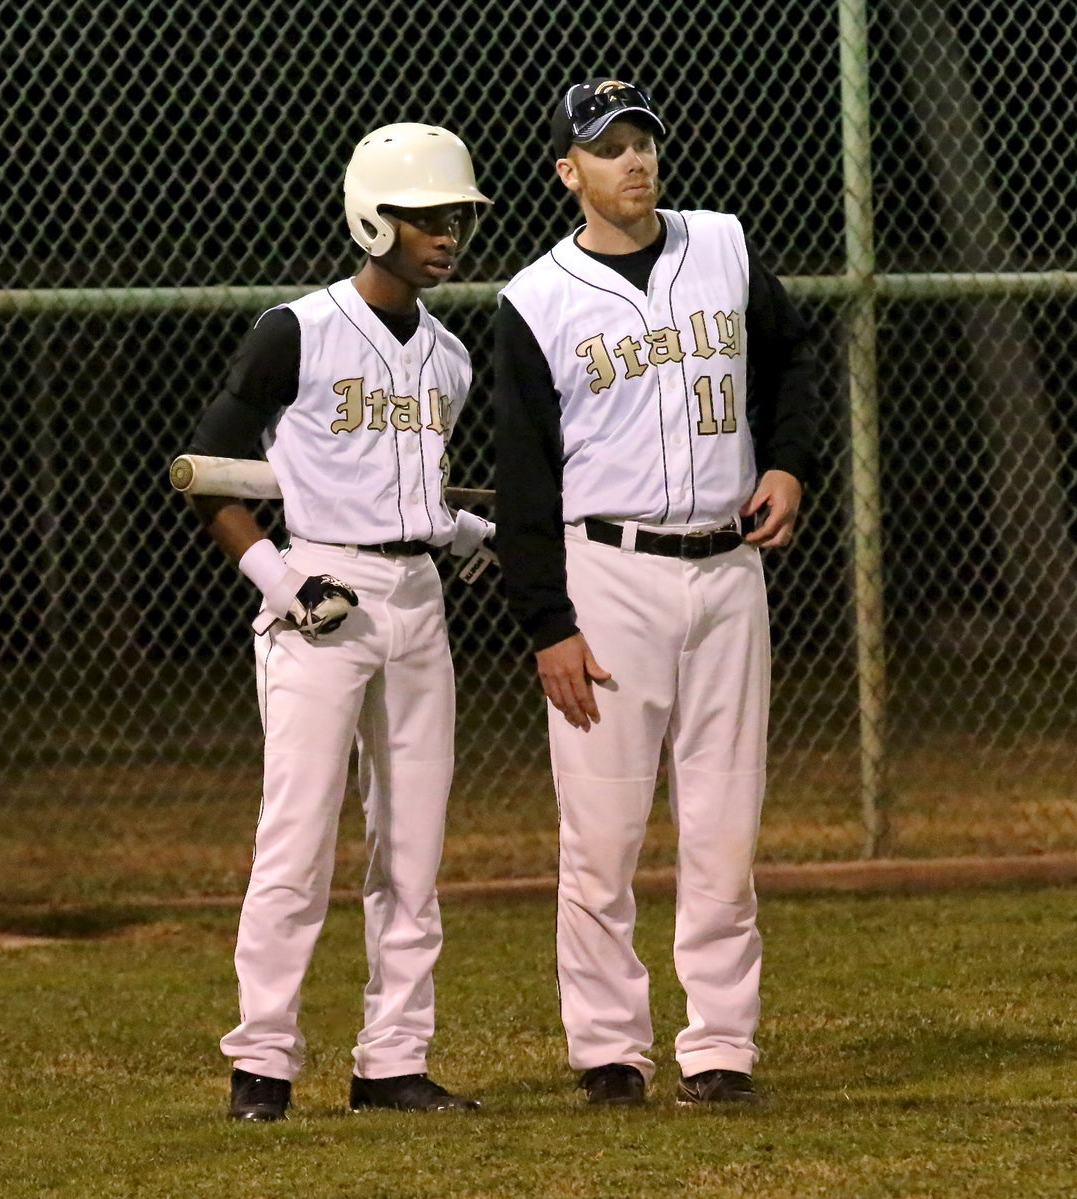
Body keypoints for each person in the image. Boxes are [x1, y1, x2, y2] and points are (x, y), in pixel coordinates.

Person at [491, 79, 819, 1106]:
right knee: (602, 831)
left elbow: (793, 360)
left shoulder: (721, 244)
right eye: (607, 146)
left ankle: (720, 1042)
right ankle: (607, 1047)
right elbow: (524, 476)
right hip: (610, 573)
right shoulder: (534, 300)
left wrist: (790, 463)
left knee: (725, 822)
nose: (633, 160)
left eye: (644, 141)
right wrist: (548, 620)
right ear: (568, 171)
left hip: (728, 568)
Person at [182, 123, 494, 1121]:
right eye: (425, 216)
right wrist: (278, 578)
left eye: (455, 216)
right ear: (373, 217)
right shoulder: (298, 328)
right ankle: (262, 1065)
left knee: (412, 846)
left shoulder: (448, 356)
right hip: (320, 594)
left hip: (416, 602)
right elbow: (207, 468)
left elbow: (410, 496)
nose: (446, 232)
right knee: (296, 840)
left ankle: (392, 1059)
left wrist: (469, 529)